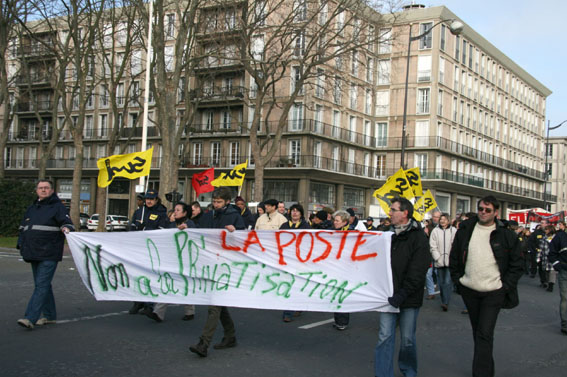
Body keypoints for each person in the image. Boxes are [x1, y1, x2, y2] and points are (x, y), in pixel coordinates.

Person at [449, 195, 523, 377]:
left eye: (487, 210)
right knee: (479, 333)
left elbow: (517, 263)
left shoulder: (506, 234)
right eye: (481, 208)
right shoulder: (466, 229)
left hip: (494, 291)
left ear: (496, 212)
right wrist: (458, 279)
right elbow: (455, 256)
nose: (483, 212)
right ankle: (486, 370)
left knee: (484, 333)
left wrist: (505, 286)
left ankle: (481, 373)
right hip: (469, 289)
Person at [374, 197, 430, 377]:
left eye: (393, 209)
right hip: (387, 296)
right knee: (384, 336)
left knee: (407, 339)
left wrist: (403, 293)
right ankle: (383, 373)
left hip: (409, 297)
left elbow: (418, 271)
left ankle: (408, 370)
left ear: (405, 213)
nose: (389, 213)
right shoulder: (385, 234)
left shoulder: (419, 237)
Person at [189, 187, 245, 358]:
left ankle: (204, 343)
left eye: (219, 201)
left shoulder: (235, 216)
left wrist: (236, 232)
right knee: (219, 304)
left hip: (226, 266)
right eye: (214, 201)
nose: (215, 204)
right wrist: (186, 226)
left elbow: (245, 239)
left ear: (227, 202)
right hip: (210, 263)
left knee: (214, 305)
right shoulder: (208, 215)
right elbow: (198, 230)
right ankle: (230, 336)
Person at [17, 179, 75, 329]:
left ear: (51, 191)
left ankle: (30, 317)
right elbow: (23, 228)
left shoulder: (58, 207)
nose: (43, 190)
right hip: (33, 252)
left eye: (46, 188)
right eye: (40, 188)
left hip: (49, 252)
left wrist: (66, 228)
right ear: (37, 190)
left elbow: (67, 223)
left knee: (41, 285)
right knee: (42, 285)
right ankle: (50, 316)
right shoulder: (32, 208)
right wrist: (21, 245)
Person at [146, 202, 197, 323]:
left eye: (178, 210)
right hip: (172, 260)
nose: (175, 212)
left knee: (186, 285)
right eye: (175, 210)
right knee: (167, 284)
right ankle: (158, 313)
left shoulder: (190, 224)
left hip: (186, 261)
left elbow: (197, 238)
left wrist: (188, 230)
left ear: (185, 213)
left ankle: (190, 311)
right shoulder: (170, 225)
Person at [128, 189, 169, 314]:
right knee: (137, 276)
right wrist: (134, 228)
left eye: (151, 199)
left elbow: (161, 229)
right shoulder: (140, 212)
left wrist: (145, 228)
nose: (149, 201)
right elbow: (132, 226)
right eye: (147, 199)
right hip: (139, 249)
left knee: (150, 277)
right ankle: (138, 301)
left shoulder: (161, 212)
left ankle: (149, 304)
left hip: (153, 249)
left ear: (156, 199)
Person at [279, 203, 311, 322]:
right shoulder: (284, 225)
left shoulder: (306, 227)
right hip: (287, 259)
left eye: (297, 211)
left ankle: (294, 309)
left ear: (301, 214)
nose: (295, 213)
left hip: (300, 260)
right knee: (289, 284)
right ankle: (289, 311)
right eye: (293, 211)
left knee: (297, 285)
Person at [332, 210, 355, 330]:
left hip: (346, 269)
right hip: (335, 267)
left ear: (344, 222)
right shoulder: (332, 233)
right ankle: (338, 319)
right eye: (334, 220)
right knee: (336, 294)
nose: (334, 223)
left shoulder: (353, 234)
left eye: (337, 221)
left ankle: (342, 321)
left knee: (342, 295)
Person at [429, 213, 457, 311]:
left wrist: (452, 257)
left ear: (448, 220)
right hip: (439, 261)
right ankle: (443, 299)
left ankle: (445, 302)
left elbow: (456, 244)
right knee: (441, 283)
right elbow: (433, 245)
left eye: (444, 219)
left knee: (447, 282)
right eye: (441, 219)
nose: (442, 221)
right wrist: (437, 257)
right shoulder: (435, 231)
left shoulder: (453, 230)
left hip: (450, 261)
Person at [548, 221, 567, 334]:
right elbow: (552, 253)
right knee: (565, 298)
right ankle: (565, 324)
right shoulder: (560, 236)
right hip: (565, 271)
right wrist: (558, 266)